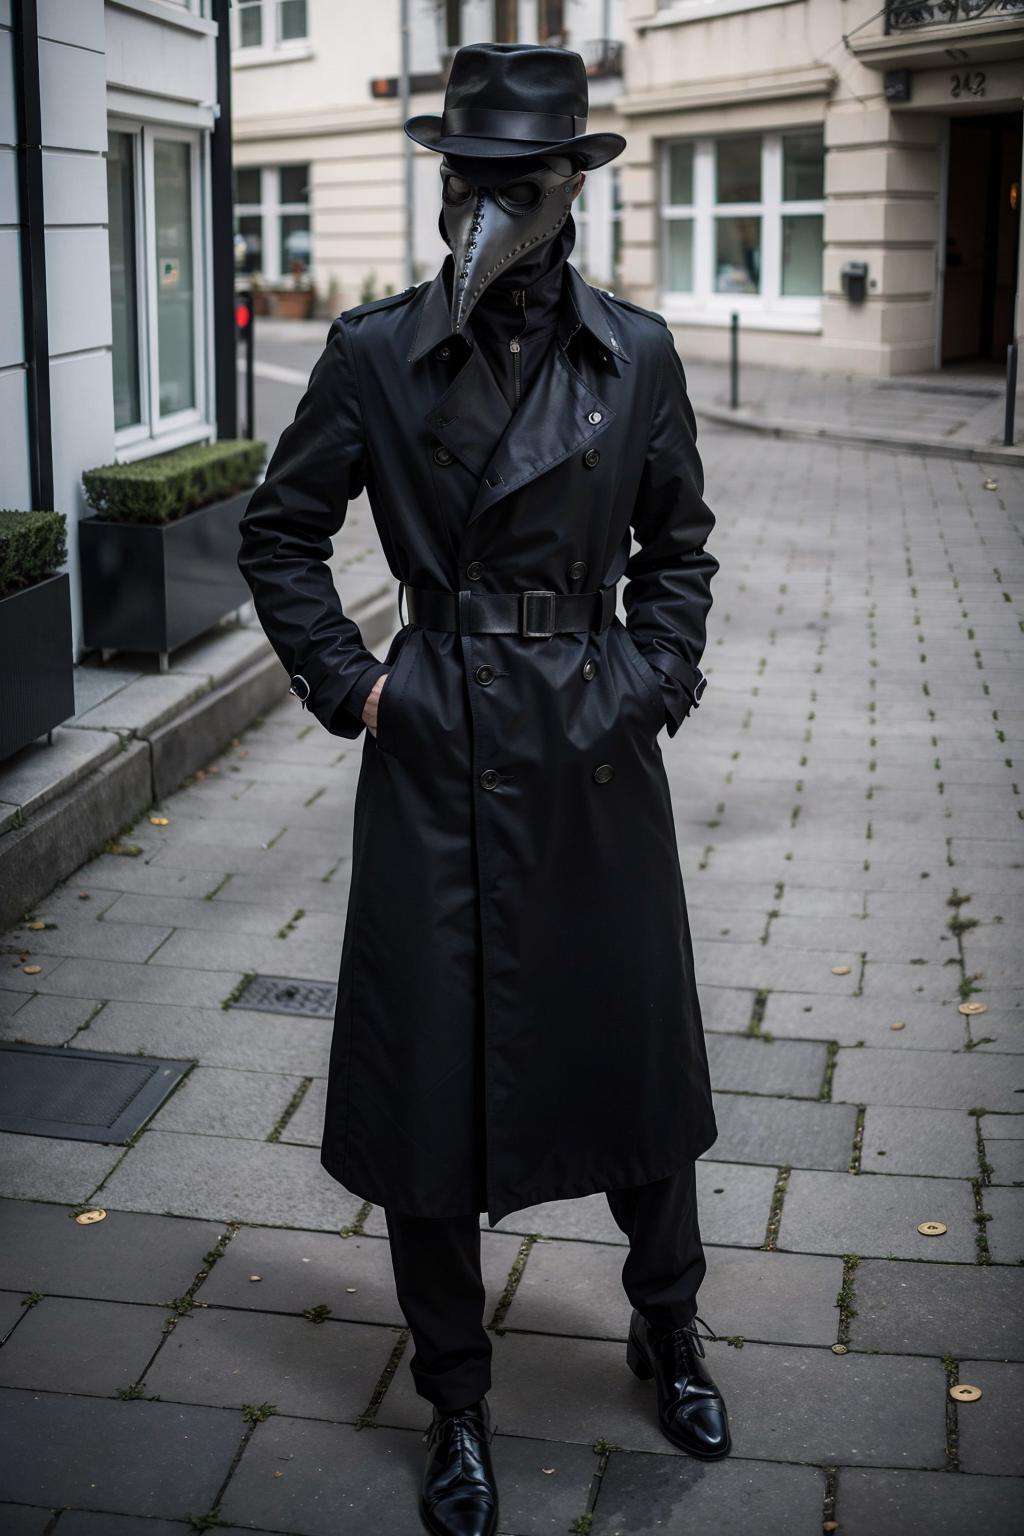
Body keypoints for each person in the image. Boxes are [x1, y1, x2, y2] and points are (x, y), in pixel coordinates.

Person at [238, 41, 729, 1536]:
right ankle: (455, 1396)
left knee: (635, 1064)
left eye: (517, 181)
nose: (490, 204)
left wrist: (647, 685)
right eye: (472, 179)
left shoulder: (632, 353)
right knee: (427, 1091)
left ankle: (670, 1321)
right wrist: (358, 683)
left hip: (590, 748)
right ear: (449, 181)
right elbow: (281, 536)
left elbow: (681, 552)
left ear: (567, 188)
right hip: (438, 748)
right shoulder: (379, 355)